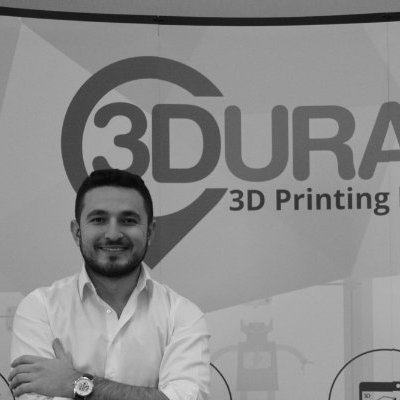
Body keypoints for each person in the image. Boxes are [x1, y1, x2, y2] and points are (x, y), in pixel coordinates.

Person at [8, 169, 210, 400]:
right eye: (98, 220)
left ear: (150, 232)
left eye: (128, 220)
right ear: (77, 232)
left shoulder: (182, 314)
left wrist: (75, 383)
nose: (113, 234)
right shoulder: (40, 308)